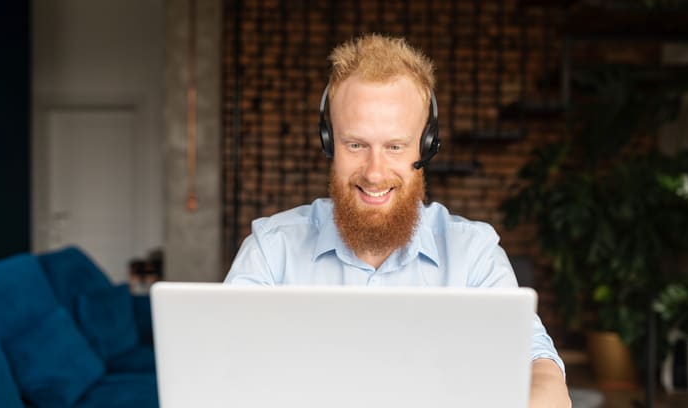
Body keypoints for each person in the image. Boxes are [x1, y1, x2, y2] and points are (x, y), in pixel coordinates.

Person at [225, 34, 571, 407]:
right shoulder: (271, 251)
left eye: (395, 146)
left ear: (426, 146)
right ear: (329, 143)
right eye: (355, 145)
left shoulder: (474, 255)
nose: (375, 173)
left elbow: (537, 364)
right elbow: (220, 367)